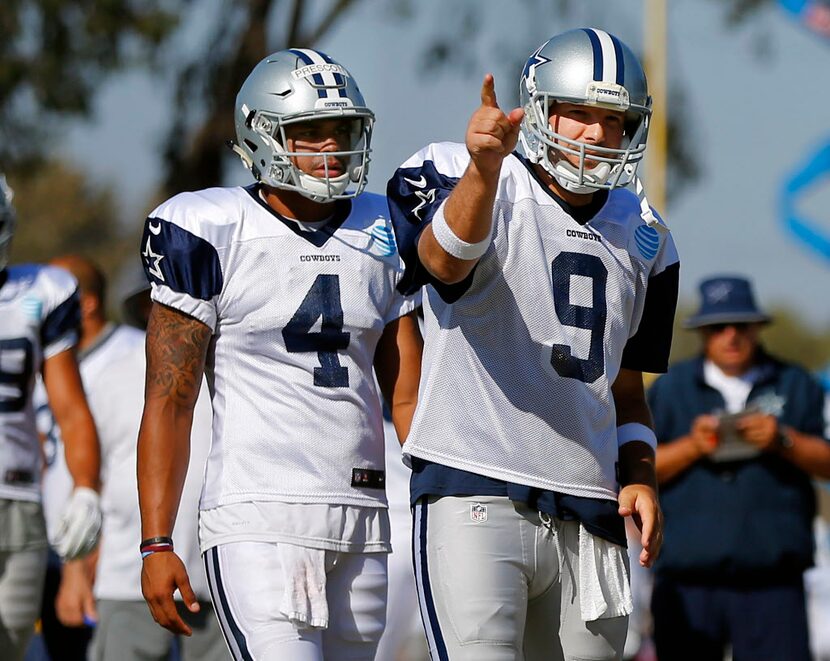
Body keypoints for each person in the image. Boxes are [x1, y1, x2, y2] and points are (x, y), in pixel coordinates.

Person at [386, 28, 679, 661]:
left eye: (613, 118)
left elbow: (627, 387)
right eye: (579, 113)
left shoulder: (647, 234)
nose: (596, 134)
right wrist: (483, 173)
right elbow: (442, 264)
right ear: (539, 108)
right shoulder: (453, 171)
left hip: (593, 514)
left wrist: (642, 476)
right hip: (476, 486)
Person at [136, 48, 423, 660]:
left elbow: (408, 395)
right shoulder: (211, 226)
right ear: (262, 136)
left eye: (341, 131)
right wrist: (157, 542)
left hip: (365, 519)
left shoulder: (386, 227)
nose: (330, 147)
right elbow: (169, 400)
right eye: (310, 132)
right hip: (258, 516)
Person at [648, 275, 830, 661]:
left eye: (741, 325)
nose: (731, 336)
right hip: (687, 579)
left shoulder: (796, 383)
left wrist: (782, 440)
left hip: (773, 579)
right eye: (717, 327)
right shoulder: (671, 388)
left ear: (758, 326)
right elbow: (636, 471)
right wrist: (693, 447)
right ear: (702, 333)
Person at [0, 176, 102, 660]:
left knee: (13, 644)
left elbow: (69, 406)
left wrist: (84, 487)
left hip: (19, 501)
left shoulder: (37, 293)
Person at [29, 255, 144, 660]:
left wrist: (90, 554)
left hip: (104, 555)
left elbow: (124, 465)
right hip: (45, 550)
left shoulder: (132, 357)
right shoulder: (43, 359)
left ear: (85, 304)